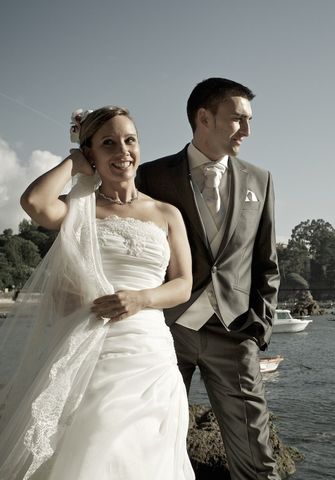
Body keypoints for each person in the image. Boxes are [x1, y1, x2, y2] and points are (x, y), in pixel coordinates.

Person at [0, 106, 195, 480]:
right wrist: (72, 163)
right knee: (98, 440)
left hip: (150, 352)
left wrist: (142, 298)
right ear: (92, 154)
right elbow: (35, 203)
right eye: (108, 143)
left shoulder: (166, 213)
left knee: (150, 451)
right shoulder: (79, 208)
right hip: (95, 347)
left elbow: (182, 284)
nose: (123, 150)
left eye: (129, 140)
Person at [136, 78, 280, 480]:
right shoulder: (151, 176)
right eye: (238, 119)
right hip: (166, 331)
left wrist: (259, 328)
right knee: (153, 441)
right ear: (204, 117)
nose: (247, 131)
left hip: (234, 333)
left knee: (256, 457)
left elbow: (267, 262)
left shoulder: (260, 179)